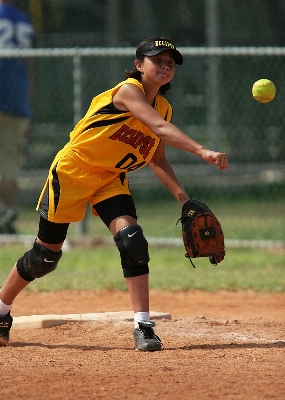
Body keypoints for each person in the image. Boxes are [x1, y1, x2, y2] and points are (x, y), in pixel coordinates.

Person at [0, 37, 228, 350]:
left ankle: (143, 324)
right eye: (156, 60)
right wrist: (203, 151)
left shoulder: (164, 107)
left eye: (170, 63)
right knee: (45, 257)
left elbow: (157, 159)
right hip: (73, 172)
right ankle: (1, 308)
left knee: (132, 239)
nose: (164, 66)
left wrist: (184, 199)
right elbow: (159, 130)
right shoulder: (128, 92)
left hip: (109, 178)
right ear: (138, 66)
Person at [0, 0, 34, 233]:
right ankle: (8, 218)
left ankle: (3, 213)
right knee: (10, 165)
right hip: (18, 103)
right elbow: (31, 64)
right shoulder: (23, 19)